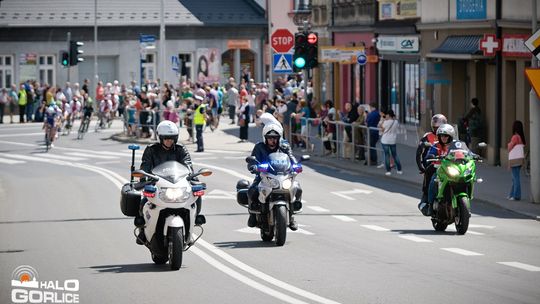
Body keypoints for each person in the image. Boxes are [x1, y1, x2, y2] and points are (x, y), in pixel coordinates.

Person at [135, 120, 201, 245]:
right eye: (166, 138)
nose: (169, 141)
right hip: (158, 185)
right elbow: (145, 166)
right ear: (160, 138)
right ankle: (142, 230)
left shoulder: (181, 149)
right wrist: (144, 178)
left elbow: (188, 166)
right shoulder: (151, 150)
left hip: (177, 184)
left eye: (171, 138)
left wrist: (193, 178)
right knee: (143, 202)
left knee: (196, 195)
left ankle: (195, 221)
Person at [246, 123, 301, 231]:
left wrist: (296, 165)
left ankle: (292, 216)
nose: (273, 141)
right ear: (265, 138)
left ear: (279, 138)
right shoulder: (259, 147)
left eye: (275, 138)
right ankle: (252, 214)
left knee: (297, 188)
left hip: (283, 176)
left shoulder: (284, 146)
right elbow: (252, 160)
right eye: (270, 138)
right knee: (253, 190)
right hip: (264, 176)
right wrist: (253, 166)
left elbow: (291, 157)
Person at [417, 114, 447, 214]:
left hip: (447, 165)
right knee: (431, 178)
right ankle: (426, 201)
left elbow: (458, 146)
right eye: (435, 128)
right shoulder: (428, 136)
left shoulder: (449, 136)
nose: (437, 130)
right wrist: (421, 167)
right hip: (432, 164)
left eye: (439, 127)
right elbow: (419, 151)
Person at [425, 124, 458, 216]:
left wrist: (473, 155)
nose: (443, 137)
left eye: (446, 135)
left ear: (450, 136)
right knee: (433, 182)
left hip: (454, 169)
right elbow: (430, 153)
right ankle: (431, 205)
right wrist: (431, 156)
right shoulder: (436, 145)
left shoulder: (455, 144)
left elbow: (465, 151)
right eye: (442, 135)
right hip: (440, 170)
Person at [379, 109, 402, 176]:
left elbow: (382, 129)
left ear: (388, 115)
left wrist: (382, 122)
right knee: (395, 155)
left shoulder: (386, 122)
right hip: (393, 140)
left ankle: (388, 171)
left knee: (387, 155)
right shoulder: (396, 122)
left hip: (385, 140)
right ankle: (399, 169)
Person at [507, 120, 526, 201]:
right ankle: (512, 194)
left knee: (515, 178)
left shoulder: (515, 137)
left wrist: (509, 144)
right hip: (519, 159)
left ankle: (516, 196)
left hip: (514, 160)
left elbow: (509, 147)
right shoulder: (521, 137)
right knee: (515, 177)